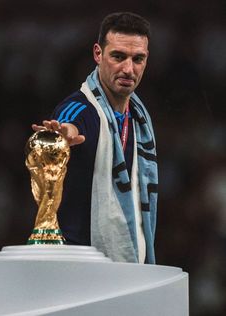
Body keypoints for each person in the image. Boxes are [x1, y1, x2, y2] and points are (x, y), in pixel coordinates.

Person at [32, 12, 158, 264]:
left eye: (138, 59)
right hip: (77, 261)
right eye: (118, 56)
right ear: (98, 54)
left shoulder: (139, 118)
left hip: (126, 260)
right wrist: (64, 135)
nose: (128, 69)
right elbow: (70, 126)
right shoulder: (80, 108)